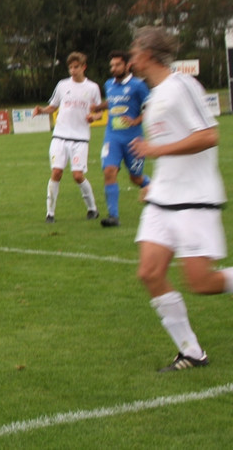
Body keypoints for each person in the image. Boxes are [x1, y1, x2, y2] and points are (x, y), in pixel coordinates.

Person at [128, 26, 230, 371]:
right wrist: (155, 184)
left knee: (201, 282)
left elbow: (208, 136)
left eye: (134, 52)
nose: (131, 58)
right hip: (163, 199)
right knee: (149, 272)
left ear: (149, 55)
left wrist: (155, 151)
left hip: (194, 199)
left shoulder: (182, 85)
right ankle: (191, 352)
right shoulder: (153, 96)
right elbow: (174, 151)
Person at [32, 51, 101, 223]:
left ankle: (92, 209)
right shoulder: (62, 85)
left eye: (76, 67)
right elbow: (53, 107)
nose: (73, 70)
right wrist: (41, 111)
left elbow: (99, 112)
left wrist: (94, 117)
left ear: (83, 67)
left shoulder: (92, 88)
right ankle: (50, 214)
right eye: (70, 67)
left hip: (80, 139)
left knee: (78, 175)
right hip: (60, 136)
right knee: (56, 172)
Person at [91, 50, 151, 227]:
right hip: (113, 137)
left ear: (127, 65)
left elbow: (150, 109)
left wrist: (135, 120)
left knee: (136, 178)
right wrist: (98, 108)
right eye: (112, 65)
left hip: (133, 139)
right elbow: (112, 101)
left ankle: (156, 190)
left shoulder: (138, 86)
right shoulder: (109, 84)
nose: (113, 68)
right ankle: (113, 216)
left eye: (117, 64)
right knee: (109, 171)